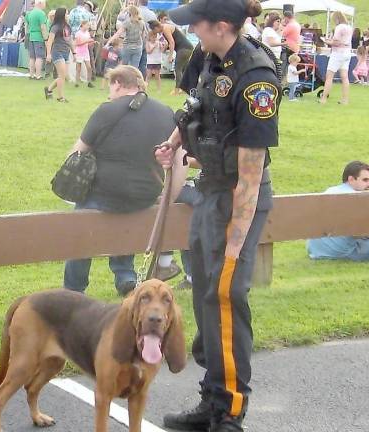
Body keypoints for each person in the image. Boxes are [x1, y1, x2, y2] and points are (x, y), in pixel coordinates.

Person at [156, 0, 280, 430]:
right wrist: (174, 142)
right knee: (205, 296)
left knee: (226, 298)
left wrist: (235, 240)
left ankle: (229, 411)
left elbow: (251, 172)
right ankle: (211, 399)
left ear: (222, 26)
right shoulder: (209, 57)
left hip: (237, 202)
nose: (193, 33)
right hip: (208, 192)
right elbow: (194, 106)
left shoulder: (256, 78)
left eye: (199, 25)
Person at [63, 65, 177, 296]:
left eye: (110, 87)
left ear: (117, 84)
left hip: (104, 194)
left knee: (81, 229)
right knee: (126, 214)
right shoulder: (166, 112)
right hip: (146, 195)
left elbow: (76, 153)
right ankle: (125, 275)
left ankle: (74, 288)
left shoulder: (107, 110)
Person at [307, 161, 369, 261]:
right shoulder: (357, 198)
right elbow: (360, 232)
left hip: (316, 251)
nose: (368, 184)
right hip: (342, 253)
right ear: (351, 179)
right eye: (365, 180)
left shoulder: (331, 191)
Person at [153, 14, 194, 95]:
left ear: (156, 27)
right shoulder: (165, 28)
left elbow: (172, 42)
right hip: (187, 47)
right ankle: (185, 89)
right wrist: (163, 49)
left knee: (178, 69)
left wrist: (170, 55)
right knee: (184, 69)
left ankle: (177, 90)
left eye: (155, 30)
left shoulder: (165, 28)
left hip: (183, 48)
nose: (156, 33)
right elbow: (169, 43)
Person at [319, 11, 353, 105]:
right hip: (347, 52)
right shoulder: (349, 27)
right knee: (345, 77)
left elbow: (336, 42)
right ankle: (345, 99)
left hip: (338, 53)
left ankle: (324, 98)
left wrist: (327, 41)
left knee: (329, 76)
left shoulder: (339, 28)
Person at [45, 7, 74, 102]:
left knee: (63, 76)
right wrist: (48, 54)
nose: (68, 15)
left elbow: (70, 40)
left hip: (66, 52)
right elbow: (50, 41)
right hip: (57, 52)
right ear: (62, 15)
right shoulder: (55, 27)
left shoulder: (68, 27)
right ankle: (61, 97)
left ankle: (49, 89)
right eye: (66, 14)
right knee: (62, 76)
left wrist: (74, 52)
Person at [25, 0, 48, 80]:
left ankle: (31, 74)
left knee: (32, 57)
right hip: (39, 37)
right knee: (39, 57)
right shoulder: (41, 13)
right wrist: (46, 38)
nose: (45, 6)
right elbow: (43, 27)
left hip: (31, 36)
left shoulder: (29, 13)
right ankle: (38, 75)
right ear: (40, 3)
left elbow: (27, 26)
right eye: (45, 4)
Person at [74, 20, 94, 87]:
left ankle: (89, 82)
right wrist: (87, 41)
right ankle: (77, 82)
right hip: (79, 52)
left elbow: (88, 42)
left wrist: (91, 42)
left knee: (89, 67)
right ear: (83, 25)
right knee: (78, 67)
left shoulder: (87, 33)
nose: (88, 27)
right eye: (87, 25)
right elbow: (77, 43)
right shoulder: (78, 33)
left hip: (86, 52)